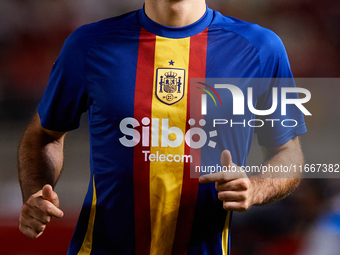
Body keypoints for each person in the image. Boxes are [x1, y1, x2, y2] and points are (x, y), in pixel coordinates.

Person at [18, 0, 307, 254]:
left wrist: (256, 189)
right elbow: (44, 134)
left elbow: (289, 153)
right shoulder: (88, 44)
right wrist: (35, 193)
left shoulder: (261, 48)